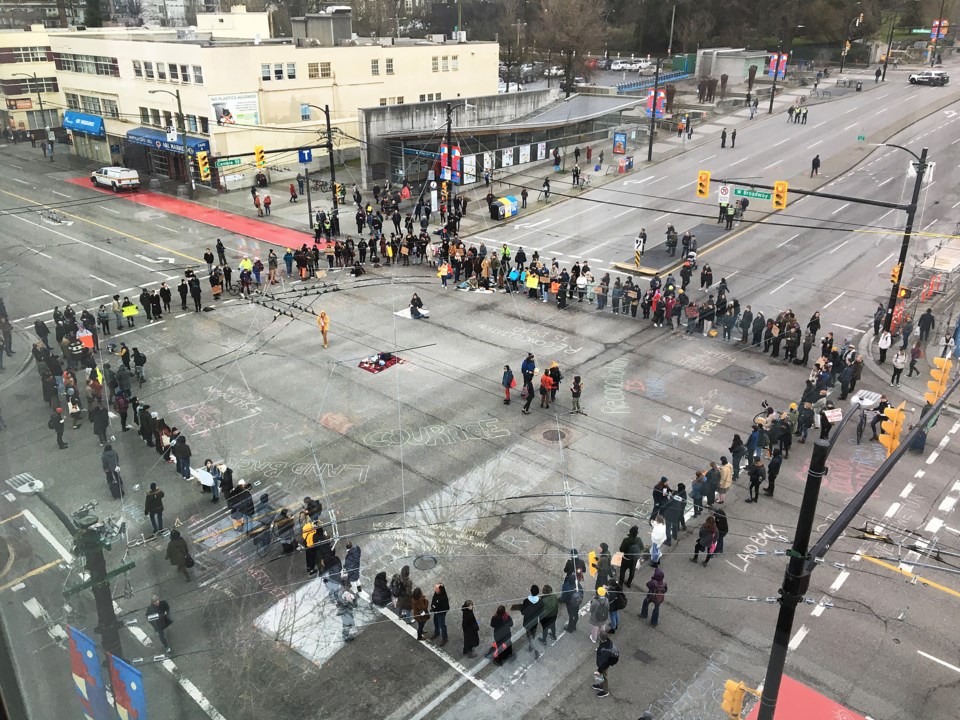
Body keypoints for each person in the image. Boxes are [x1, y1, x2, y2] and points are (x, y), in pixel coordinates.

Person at [593, 632, 618, 698]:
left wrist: (599, 670)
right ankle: (601, 685)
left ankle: (605, 691)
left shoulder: (606, 651)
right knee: (602, 675)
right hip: (603, 663)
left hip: (604, 665)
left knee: (604, 676)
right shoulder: (607, 642)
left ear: (601, 638)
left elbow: (604, 663)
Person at [520, 584, 543, 657]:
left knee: (529, 636)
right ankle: (531, 647)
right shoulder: (540, 602)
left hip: (527, 621)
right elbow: (540, 613)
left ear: (531, 591)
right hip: (535, 621)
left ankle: (535, 650)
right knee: (533, 634)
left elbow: (523, 612)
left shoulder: (526, 601)